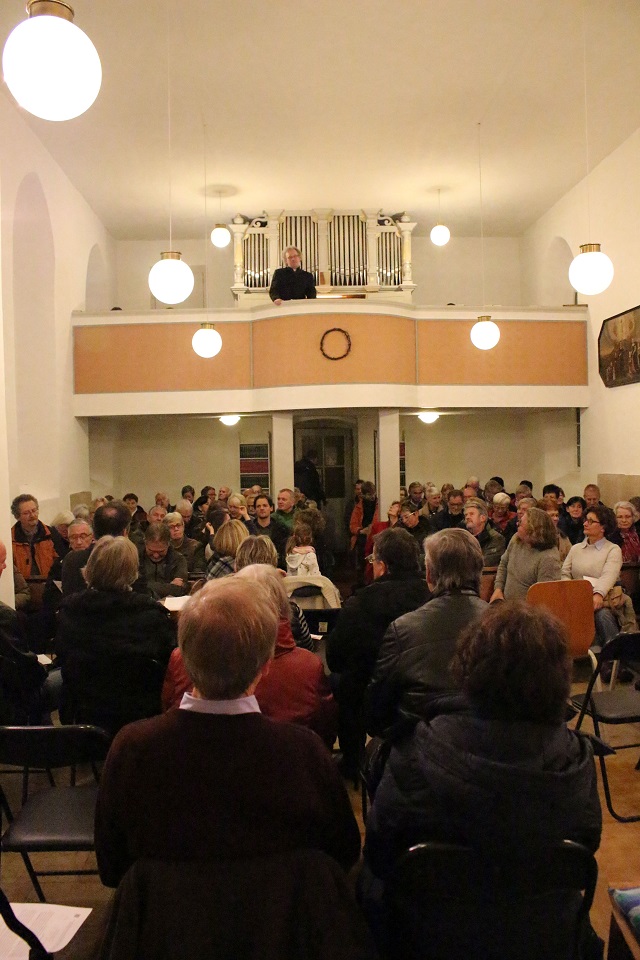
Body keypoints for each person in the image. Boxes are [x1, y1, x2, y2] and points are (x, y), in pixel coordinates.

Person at [360, 602, 602, 956]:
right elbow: (585, 845)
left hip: (428, 940)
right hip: (543, 940)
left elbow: (381, 852)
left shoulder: (414, 753)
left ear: (468, 669)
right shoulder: (575, 761)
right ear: (559, 679)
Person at [94, 576, 360, 888]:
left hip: (165, 914)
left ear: (182, 658)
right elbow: (342, 852)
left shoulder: (132, 747)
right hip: (277, 911)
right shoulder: (303, 751)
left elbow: (112, 868)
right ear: (265, 665)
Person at [326, 528, 430, 778]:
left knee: (340, 681)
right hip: (422, 692)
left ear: (382, 566)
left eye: (372, 560)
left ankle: (353, 762)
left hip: (370, 695)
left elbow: (335, 658)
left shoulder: (360, 603)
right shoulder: (431, 596)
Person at [366, 528, 488, 735]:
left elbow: (376, 713)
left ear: (429, 574)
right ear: (479, 572)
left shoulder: (403, 629)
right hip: (489, 744)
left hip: (420, 743)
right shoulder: (506, 627)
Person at [56, 536, 175, 734]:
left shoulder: (69, 612)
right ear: (132, 571)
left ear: (90, 568)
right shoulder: (151, 615)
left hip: (84, 714)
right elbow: (167, 663)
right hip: (141, 717)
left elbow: (62, 656)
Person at [236, 565, 337, 747]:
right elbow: (325, 730)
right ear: (283, 603)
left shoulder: (218, 660)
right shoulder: (309, 666)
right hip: (300, 756)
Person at [561, 503, 623, 648]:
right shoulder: (576, 549)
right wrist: (570, 589)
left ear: (603, 527)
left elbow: (609, 575)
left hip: (602, 599)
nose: (585, 524)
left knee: (602, 615)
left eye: (591, 521)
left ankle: (614, 654)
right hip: (575, 597)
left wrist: (598, 594)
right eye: (585, 520)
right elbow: (565, 572)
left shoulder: (612, 549)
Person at [61, 499, 132, 597]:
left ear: (93, 533)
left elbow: (68, 598)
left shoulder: (72, 560)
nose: (79, 542)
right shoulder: (130, 559)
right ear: (125, 533)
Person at [490, 507, 561, 602]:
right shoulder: (516, 540)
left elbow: (546, 598)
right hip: (506, 604)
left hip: (528, 609)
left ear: (532, 530)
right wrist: (498, 589)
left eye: (520, 523)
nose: (517, 524)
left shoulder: (548, 558)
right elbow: (503, 564)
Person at [10, 494, 59, 579]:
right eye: (26, 513)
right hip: (22, 585)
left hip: (48, 583)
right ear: (17, 517)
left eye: (34, 510)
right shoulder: (10, 539)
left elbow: (60, 562)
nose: (32, 515)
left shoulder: (51, 534)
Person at [141, 522, 189, 598]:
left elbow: (179, 589)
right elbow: (131, 586)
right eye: (151, 551)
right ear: (145, 543)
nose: (156, 555)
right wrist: (169, 586)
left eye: (161, 551)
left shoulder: (179, 559)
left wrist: (145, 585)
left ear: (168, 544)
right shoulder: (136, 558)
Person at [464, 498, 506, 565]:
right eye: (466, 515)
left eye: (471, 514)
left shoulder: (496, 538)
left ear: (482, 518)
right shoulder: (463, 538)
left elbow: (487, 562)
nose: (467, 517)